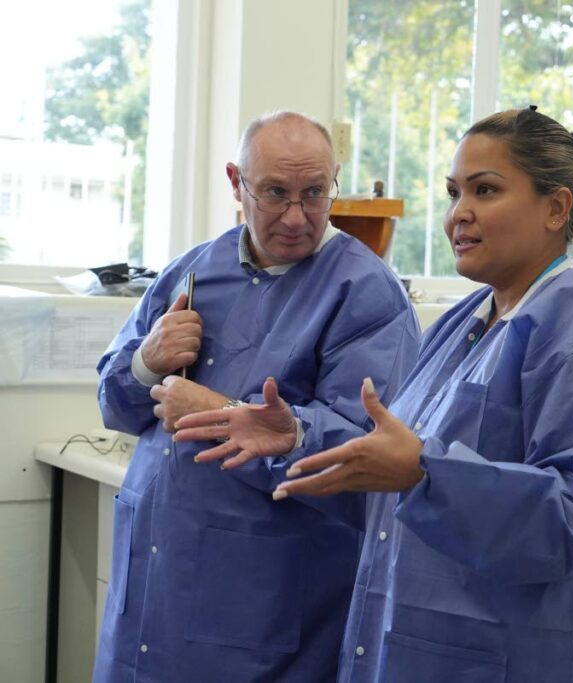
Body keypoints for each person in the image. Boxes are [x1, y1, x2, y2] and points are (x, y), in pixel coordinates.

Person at [176, 107, 573, 683]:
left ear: (556, 207)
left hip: (514, 658)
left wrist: (425, 473)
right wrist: (298, 437)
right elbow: (390, 481)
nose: (457, 215)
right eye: (452, 192)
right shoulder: (465, 322)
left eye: (485, 191)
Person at [93, 111, 420, 682]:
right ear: (235, 184)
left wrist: (221, 417)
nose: (297, 217)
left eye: (314, 193)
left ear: (334, 180)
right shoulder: (192, 271)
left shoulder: (366, 295)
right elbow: (113, 405)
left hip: (262, 606)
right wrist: (147, 363)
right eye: (274, 193)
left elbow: (365, 460)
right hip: (151, 589)